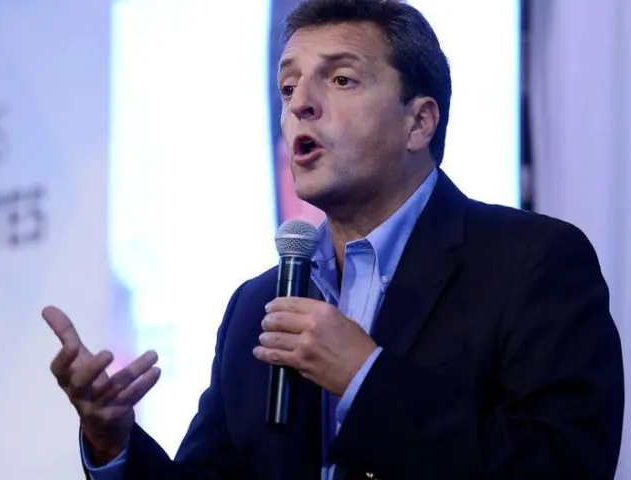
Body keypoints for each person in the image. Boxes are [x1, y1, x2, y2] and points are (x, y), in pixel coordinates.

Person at [42, 0, 625, 478]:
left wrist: (365, 378)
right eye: (287, 86)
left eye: (341, 79)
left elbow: (562, 467)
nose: (300, 103)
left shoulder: (531, 263)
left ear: (419, 122)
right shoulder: (257, 306)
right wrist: (111, 441)